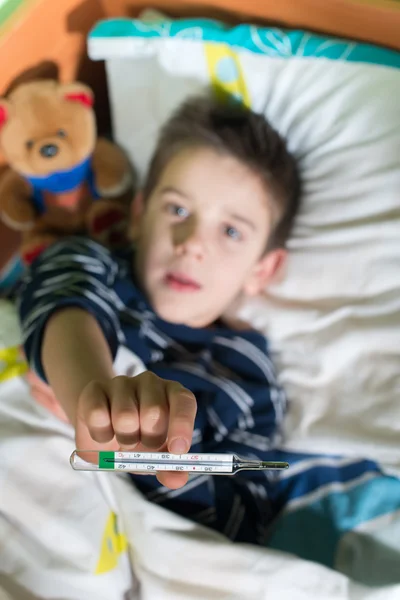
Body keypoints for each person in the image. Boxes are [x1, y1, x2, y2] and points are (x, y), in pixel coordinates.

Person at [17, 93, 301, 545]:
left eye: (231, 231)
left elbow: (240, 522)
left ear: (262, 269)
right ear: (138, 214)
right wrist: (88, 397)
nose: (191, 242)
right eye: (177, 209)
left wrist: (150, 462)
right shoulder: (95, 265)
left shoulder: (247, 377)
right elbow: (65, 295)